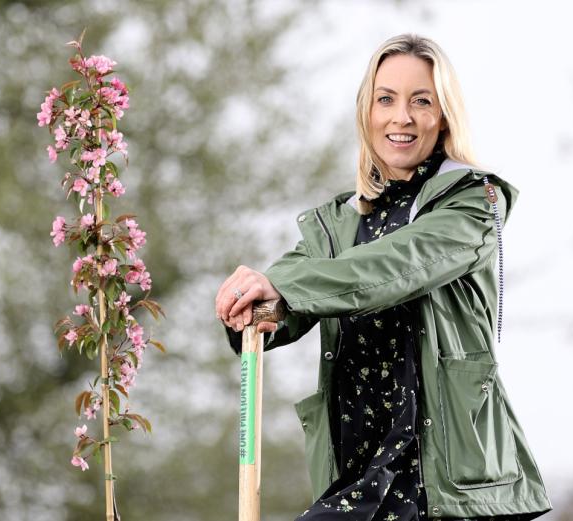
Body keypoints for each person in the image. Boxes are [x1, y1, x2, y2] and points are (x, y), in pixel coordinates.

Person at [215, 34, 552, 521]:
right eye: (386, 99)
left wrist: (286, 287)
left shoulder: (475, 202)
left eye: (422, 101)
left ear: (443, 115)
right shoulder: (335, 223)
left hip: (440, 479)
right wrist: (249, 302)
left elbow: (396, 266)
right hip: (358, 469)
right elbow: (285, 292)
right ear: (366, 113)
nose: (402, 117)